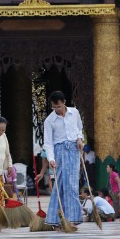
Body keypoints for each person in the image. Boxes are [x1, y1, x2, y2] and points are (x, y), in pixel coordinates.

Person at [43, 90, 84, 229]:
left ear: (64, 102)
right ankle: (57, 219)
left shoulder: (75, 113)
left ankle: (72, 219)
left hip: (73, 150)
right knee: (60, 184)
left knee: (72, 184)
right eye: (54, 108)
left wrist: (79, 139)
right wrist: (51, 159)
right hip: (59, 152)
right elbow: (48, 143)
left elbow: (79, 128)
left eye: (59, 107)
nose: (57, 110)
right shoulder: (49, 120)